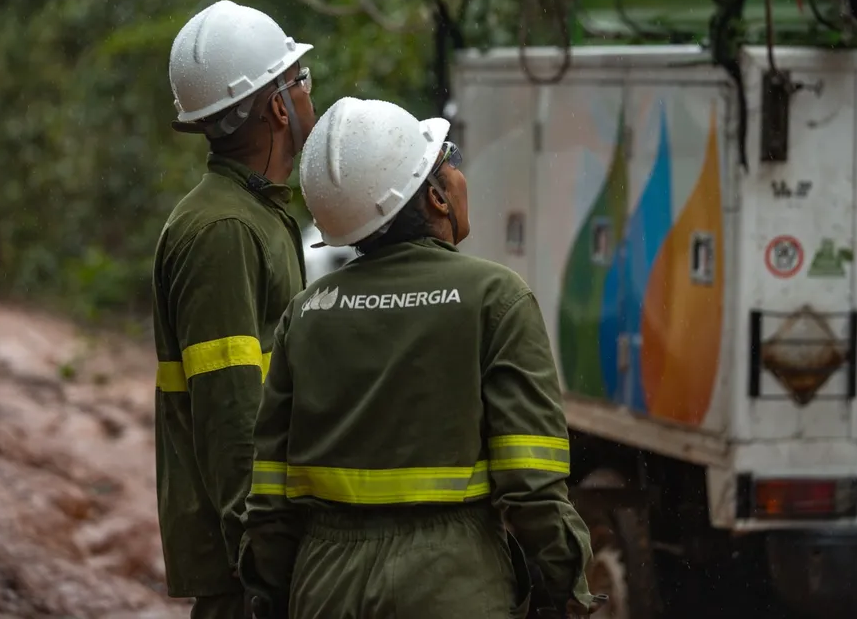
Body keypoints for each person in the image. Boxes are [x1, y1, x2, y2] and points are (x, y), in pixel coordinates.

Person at [239, 97, 602, 619]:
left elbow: (269, 493)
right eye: (447, 159)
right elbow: (532, 484)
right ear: (432, 195)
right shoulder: (494, 298)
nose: (459, 174)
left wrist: (271, 591)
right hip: (452, 582)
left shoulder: (308, 312)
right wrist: (568, 585)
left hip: (324, 585)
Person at [152, 0, 316, 619]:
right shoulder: (223, 228)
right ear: (278, 105)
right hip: (244, 572)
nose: (307, 93)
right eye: (298, 80)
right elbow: (230, 412)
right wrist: (261, 565)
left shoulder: (255, 212)